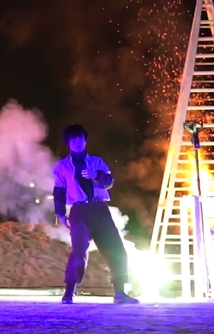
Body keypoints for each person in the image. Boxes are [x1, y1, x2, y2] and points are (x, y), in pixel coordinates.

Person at [53, 123, 139, 305]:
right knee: (78, 252)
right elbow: (59, 191)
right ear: (68, 143)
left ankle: (120, 293)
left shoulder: (97, 162)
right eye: (73, 140)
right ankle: (69, 293)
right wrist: (60, 213)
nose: (77, 142)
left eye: (80, 139)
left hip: (99, 209)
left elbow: (109, 182)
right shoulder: (62, 167)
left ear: (85, 141)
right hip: (79, 211)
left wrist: (96, 175)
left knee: (117, 250)